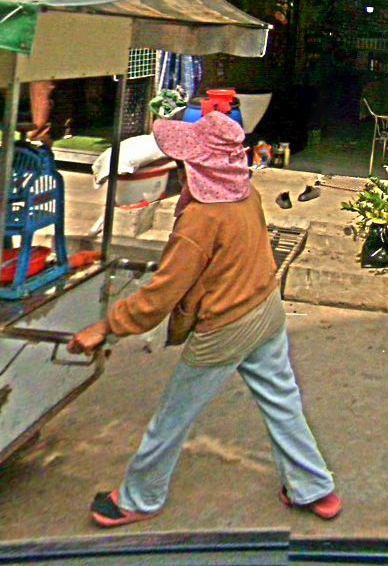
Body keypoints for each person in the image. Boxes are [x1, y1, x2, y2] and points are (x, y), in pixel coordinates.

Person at [68, 111, 339, 527]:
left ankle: (140, 497)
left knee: (172, 418)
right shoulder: (246, 193)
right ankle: (314, 488)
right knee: (282, 402)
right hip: (265, 308)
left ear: (197, 169)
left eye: (184, 163)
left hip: (226, 327)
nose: (178, 169)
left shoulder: (200, 219)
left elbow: (161, 294)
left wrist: (106, 327)